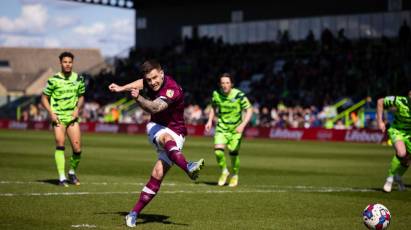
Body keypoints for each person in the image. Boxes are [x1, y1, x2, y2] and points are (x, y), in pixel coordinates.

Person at [108, 59, 204, 228]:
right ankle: (188, 166)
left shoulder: (172, 89)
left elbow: (154, 108)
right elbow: (141, 82)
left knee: (157, 174)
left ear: (161, 73)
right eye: (149, 80)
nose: (152, 83)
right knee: (166, 138)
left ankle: (133, 213)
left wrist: (138, 98)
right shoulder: (149, 81)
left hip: (178, 133)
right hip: (157, 128)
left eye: (154, 78)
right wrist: (122, 87)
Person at [41, 51, 85, 187]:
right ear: (60, 63)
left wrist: (77, 109)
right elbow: (44, 98)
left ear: (72, 63)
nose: (67, 64)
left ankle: (71, 173)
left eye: (70, 62)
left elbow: (81, 96)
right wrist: (51, 113)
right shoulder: (53, 79)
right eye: (65, 62)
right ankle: (61, 178)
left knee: (77, 149)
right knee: (60, 144)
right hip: (58, 118)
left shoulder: (79, 79)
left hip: (72, 119)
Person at [205, 73, 252, 187]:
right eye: (223, 83)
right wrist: (210, 121)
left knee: (233, 153)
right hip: (222, 127)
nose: (225, 85)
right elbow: (213, 107)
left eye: (227, 83)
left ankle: (235, 175)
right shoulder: (216, 94)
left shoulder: (239, 95)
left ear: (231, 84)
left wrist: (243, 125)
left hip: (236, 129)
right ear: (220, 84)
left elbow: (249, 110)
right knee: (218, 151)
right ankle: (224, 172)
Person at [377, 91, 411, 192]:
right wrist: (380, 121)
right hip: (397, 130)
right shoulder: (398, 100)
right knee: (401, 152)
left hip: (409, 133)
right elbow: (380, 102)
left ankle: (397, 176)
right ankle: (390, 179)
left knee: (408, 159)